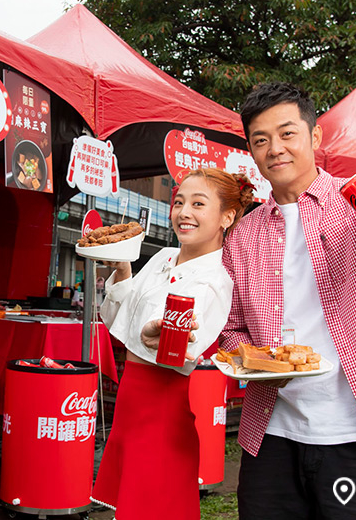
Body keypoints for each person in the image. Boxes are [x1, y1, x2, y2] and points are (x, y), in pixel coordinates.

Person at [221, 82, 356, 519]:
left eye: (288, 133)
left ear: (314, 137)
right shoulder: (242, 234)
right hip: (271, 432)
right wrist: (250, 362)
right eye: (261, 140)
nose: (275, 148)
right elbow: (231, 327)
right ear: (251, 151)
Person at [90, 168, 255, 519]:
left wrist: (157, 337)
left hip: (161, 405)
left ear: (227, 216)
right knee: (132, 505)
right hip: (131, 399)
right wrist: (121, 270)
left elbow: (178, 351)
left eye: (198, 204)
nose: (184, 212)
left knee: (154, 505)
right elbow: (118, 318)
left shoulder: (216, 281)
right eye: (179, 202)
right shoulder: (163, 257)